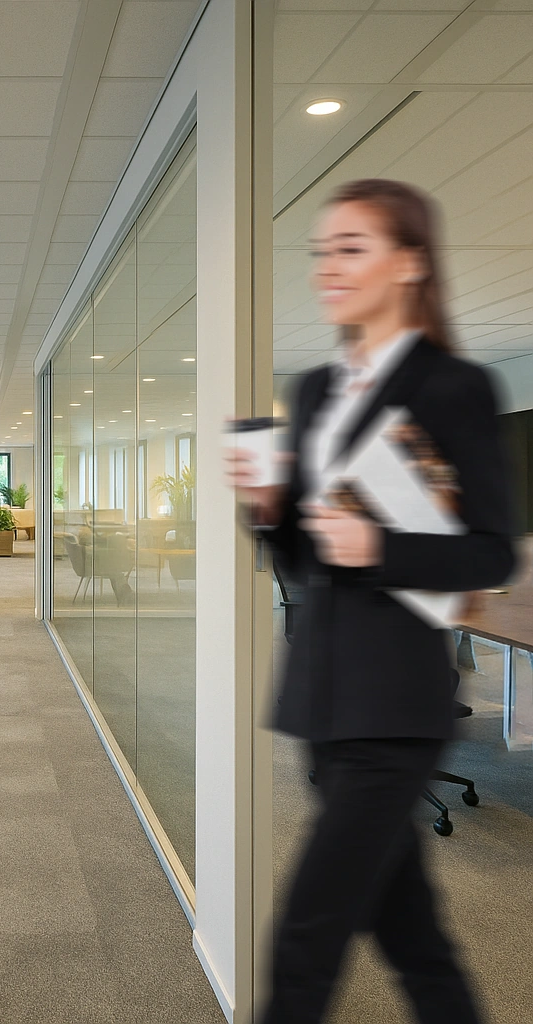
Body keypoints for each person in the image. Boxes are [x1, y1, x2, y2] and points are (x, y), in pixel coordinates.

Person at [227, 179, 515, 1023]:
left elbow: (491, 551)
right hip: (321, 695)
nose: (328, 267)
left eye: (351, 247)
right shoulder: (316, 391)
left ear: (410, 261)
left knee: (305, 940)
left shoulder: (455, 387)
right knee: (414, 939)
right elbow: (309, 559)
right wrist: (267, 510)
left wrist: (379, 545)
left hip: (395, 706)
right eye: (322, 251)